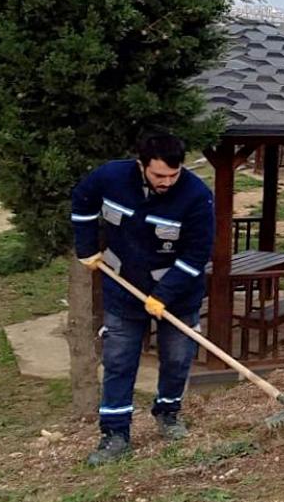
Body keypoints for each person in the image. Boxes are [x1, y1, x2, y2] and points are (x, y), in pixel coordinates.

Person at [72, 132, 214, 465]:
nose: (166, 182)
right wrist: (87, 248)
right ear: (141, 166)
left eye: (173, 175)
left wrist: (163, 295)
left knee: (178, 359)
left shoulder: (196, 197)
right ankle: (116, 434)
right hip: (123, 287)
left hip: (177, 295)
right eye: (159, 175)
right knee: (119, 361)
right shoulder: (110, 177)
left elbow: (196, 255)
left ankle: (168, 414)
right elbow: (82, 201)